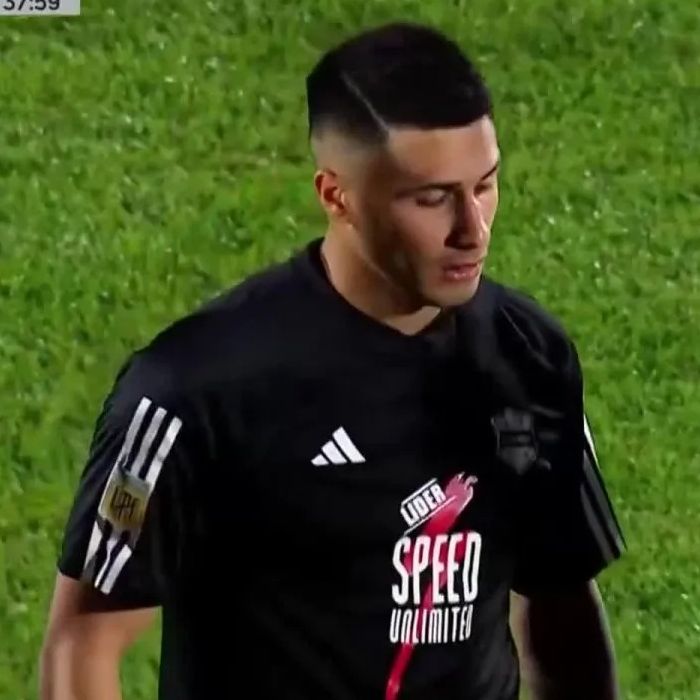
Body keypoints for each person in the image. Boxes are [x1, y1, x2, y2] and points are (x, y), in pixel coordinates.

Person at [39, 20, 626, 700]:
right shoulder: (196, 388)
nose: (473, 229)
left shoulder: (529, 355)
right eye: (432, 198)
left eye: (485, 186)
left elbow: (561, 597)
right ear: (336, 194)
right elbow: (85, 640)